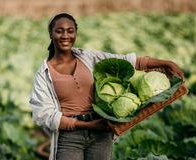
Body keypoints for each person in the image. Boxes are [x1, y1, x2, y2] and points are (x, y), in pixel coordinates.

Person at [29, 12, 184, 160]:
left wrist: (166, 63)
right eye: (59, 31)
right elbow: (44, 114)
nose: (65, 36)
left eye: (70, 31)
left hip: (101, 132)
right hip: (70, 137)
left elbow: (127, 61)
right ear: (51, 34)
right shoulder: (44, 74)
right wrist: (87, 125)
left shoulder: (89, 57)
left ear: (76, 33)